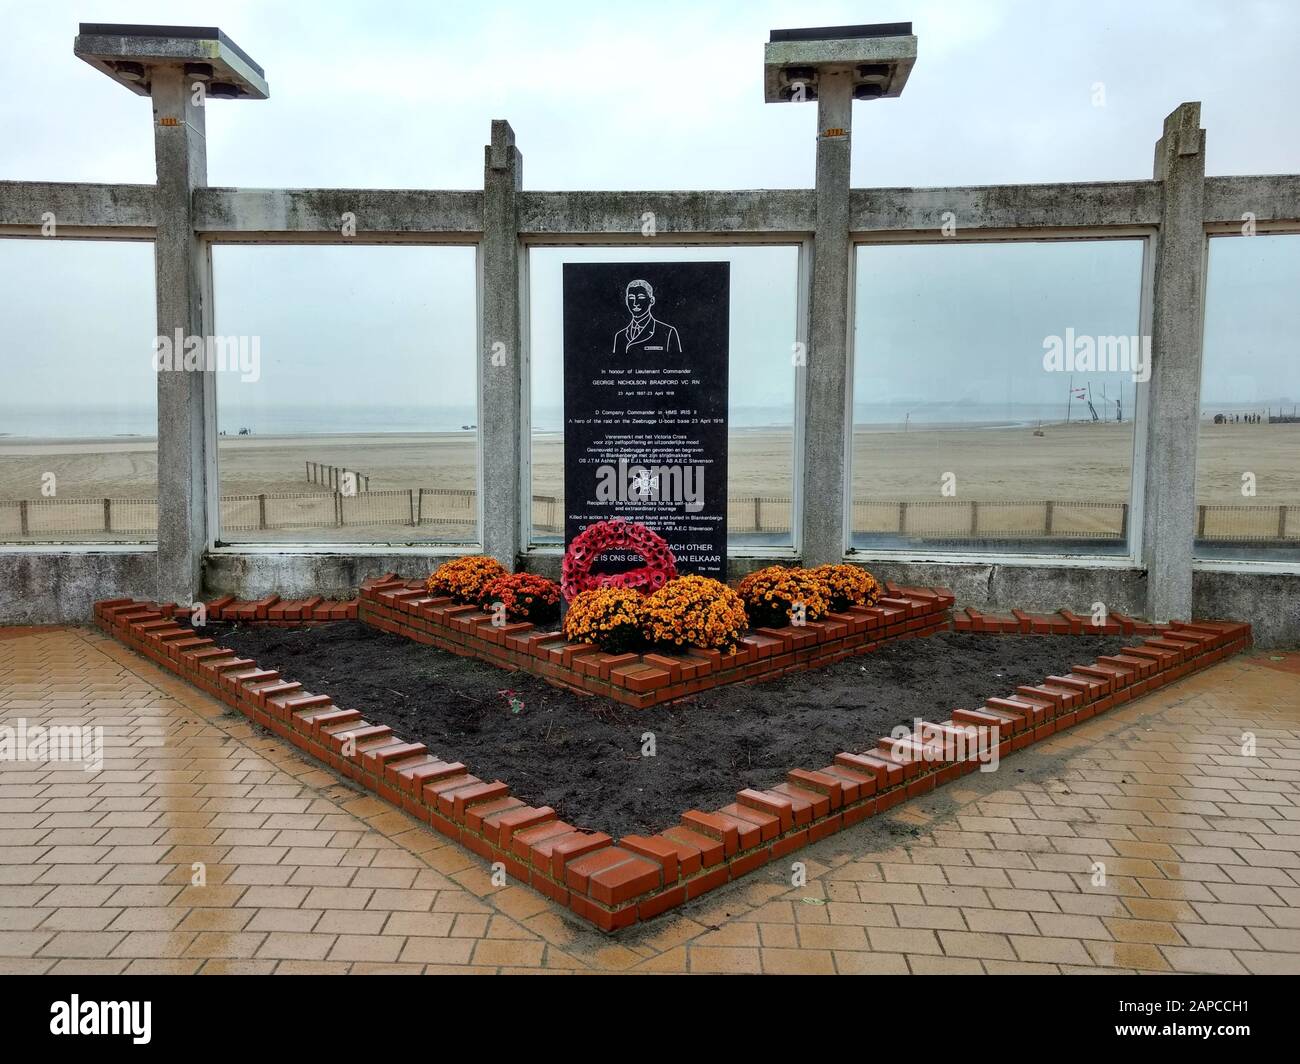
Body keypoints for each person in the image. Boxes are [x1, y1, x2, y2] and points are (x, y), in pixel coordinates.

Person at [612, 279, 681, 356]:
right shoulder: (620, 336)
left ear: (651, 300)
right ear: (626, 301)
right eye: (631, 298)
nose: (635, 303)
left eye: (641, 297)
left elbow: (678, 362)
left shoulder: (668, 332)